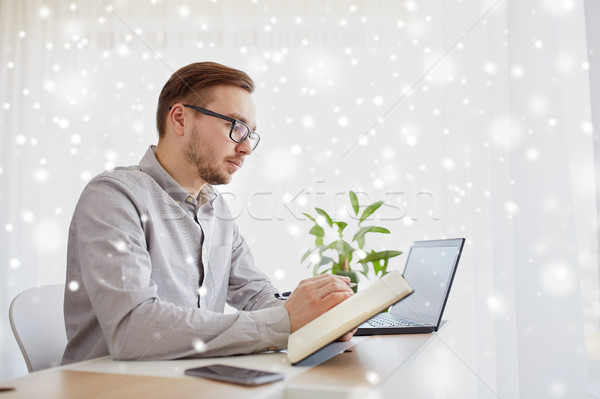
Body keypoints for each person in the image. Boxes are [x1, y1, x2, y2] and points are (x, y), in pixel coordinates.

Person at [61, 62, 355, 365]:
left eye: (250, 134)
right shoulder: (113, 197)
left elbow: (254, 294)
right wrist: (285, 323)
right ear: (180, 119)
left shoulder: (216, 209)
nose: (246, 149)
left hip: (189, 382)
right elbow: (133, 329)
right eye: (235, 127)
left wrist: (318, 317)